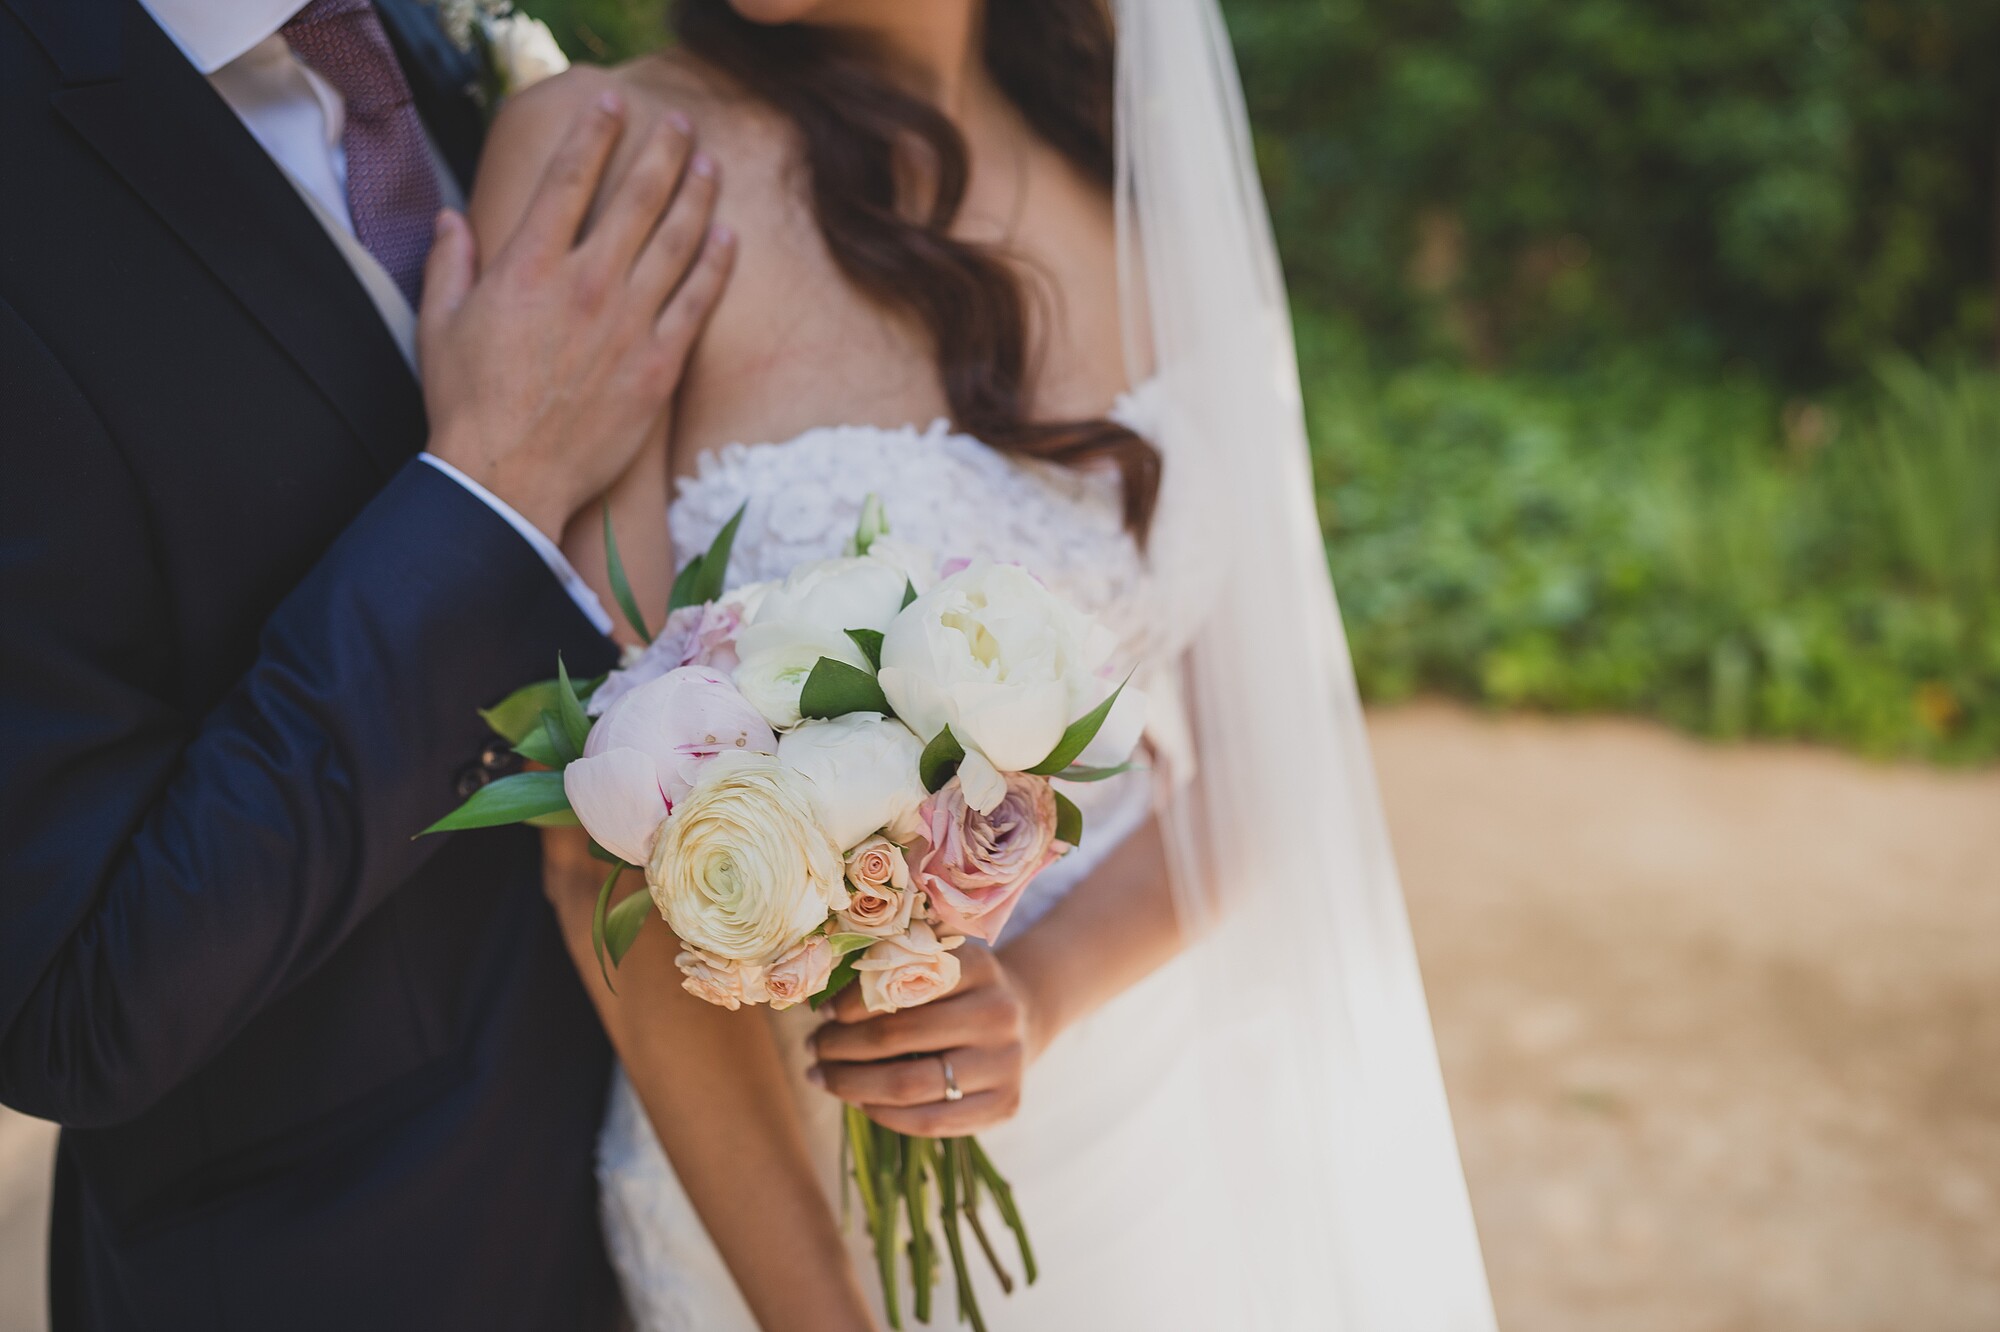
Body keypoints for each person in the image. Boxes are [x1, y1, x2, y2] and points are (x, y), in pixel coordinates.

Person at [495, 1, 1501, 1328]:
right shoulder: (621, 153)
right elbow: (593, 844)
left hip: (1168, 1153)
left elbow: (1265, 754)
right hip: (782, 1206)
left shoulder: (1137, 174)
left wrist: (1037, 990)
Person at [0, 0, 729, 1326]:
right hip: (348, 1262)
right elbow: (70, 998)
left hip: (676, 1179)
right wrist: (490, 486)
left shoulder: (407, 32)